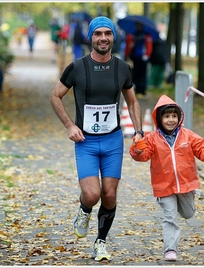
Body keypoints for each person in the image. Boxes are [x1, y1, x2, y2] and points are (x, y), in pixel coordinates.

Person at [49, 16, 143, 262]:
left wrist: (139, 131)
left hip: (113, 140)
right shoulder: (77, 67)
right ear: (91, 37)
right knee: (92, 194)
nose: (103, 38)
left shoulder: (123, 68)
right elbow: (55, 96)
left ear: (113, 37)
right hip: (86, 142)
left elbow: (132, 101)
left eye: (107, 34)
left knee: (109, 195)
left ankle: (100, 242)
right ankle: (84, 209)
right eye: (98, 34)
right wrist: (70, 125)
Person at [129, 94, 204, 262]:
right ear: (160, 118)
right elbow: (142, 156)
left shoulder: (187, 135)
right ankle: (170, 249)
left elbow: (200, 146)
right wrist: (137, 149)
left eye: (174, 116)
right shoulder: (152, 139)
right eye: (167, 116)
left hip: (185, 184)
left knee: (188, 213)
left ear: (179, 118)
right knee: (169, 217)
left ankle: (183, 203)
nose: (171, 120)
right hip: (164, 185)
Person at [124, 22, 153, 99]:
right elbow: (129, 46)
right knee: (135, 75)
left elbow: (149, 46)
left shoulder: (146, 35)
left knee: (143, 75)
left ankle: (142, 91)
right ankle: (136, 91)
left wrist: (147, 55)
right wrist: (128, 54)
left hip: (143, 58)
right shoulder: (134, 35)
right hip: (135, 58)